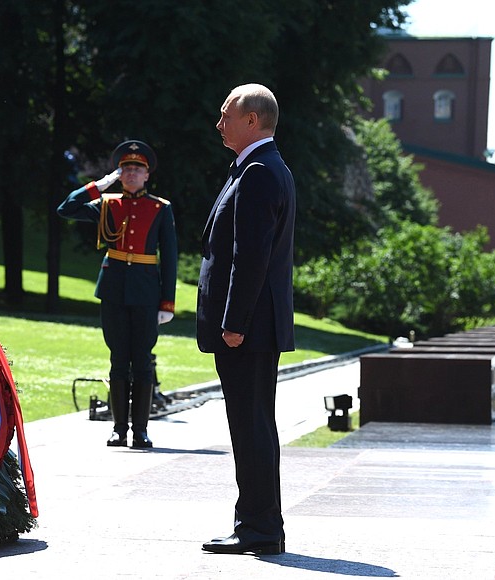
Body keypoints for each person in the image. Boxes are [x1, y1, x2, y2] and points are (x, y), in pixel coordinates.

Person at [196, 84, 296, 555]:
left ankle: (258, 529)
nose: (219, 123)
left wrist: (234, 321)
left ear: (252, 120)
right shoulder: (261, 167)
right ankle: (259, 525)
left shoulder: (258, 171)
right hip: (255, 326)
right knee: (253, 425)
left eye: (226, 115)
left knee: (251, 426)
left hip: (248, 329)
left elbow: (249, 256)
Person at [57, 140, 178, 449]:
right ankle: (118, 429)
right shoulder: (107, 203)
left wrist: (167, 301)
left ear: (147, 174)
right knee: (117, 360)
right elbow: (66, 208)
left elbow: (171, 257)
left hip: (146, 293)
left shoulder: (160, 209)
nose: (132, 173)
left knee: (142, 362)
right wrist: (99, 186)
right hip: (113, 291)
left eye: (137, 169)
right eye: (126, 169)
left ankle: (140, 431)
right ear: (119, 173)